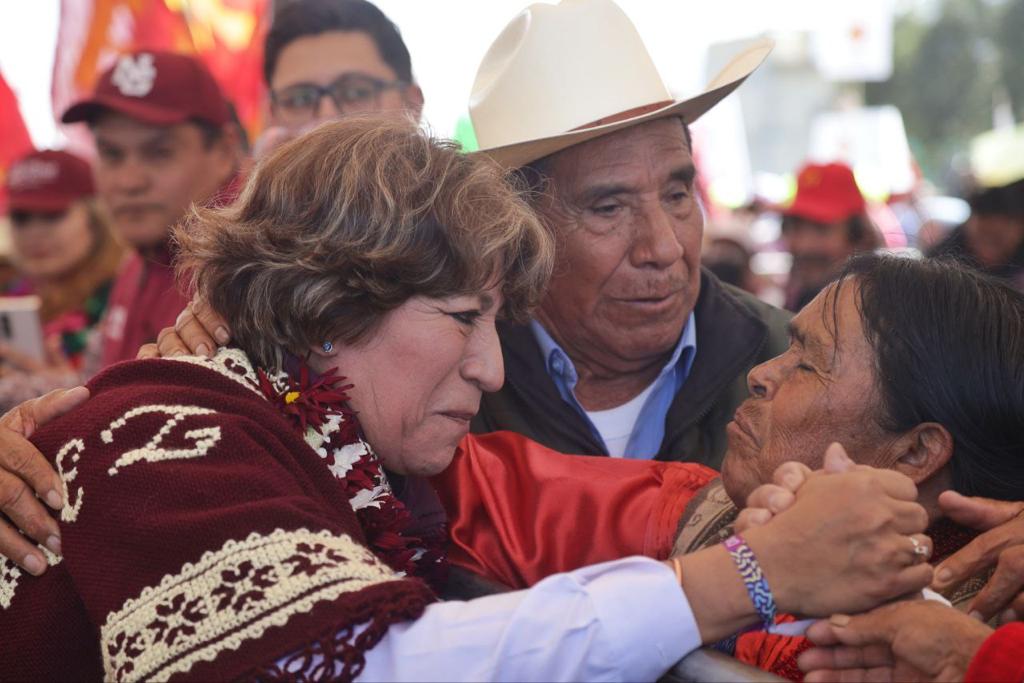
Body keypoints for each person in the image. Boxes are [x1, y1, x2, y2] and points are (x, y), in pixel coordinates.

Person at [0, 117, 932, 682]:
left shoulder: (338, 448)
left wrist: (787, 531)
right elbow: (374, 663)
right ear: (328, 306)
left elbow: (575, 506)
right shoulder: (165, 436)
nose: (490, 369)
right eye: (460, 318)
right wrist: (747, 576)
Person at [170, 0, 791, 469]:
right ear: (518, 225)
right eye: (608, 207)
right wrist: (235, 335)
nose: (664, 247)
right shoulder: (429, 364)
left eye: (678, 195)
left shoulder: (795, 362)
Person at [670, 254, 1024, 678]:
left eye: (807, 365)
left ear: (915, 453)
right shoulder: (688, 505)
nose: (759, 375)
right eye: (789, 347)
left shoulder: (957, 639)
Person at [60, 49, 241, 368]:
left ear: (224, 152)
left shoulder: (259, 270)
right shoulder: (141, 256)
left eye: (159, 153)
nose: (129, 182)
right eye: (111, 154)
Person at [0, 149, 124, 408]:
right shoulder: (5, 288)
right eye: (22, 217)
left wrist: (71, 388)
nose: (35, 233)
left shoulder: (124, 293)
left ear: (94, 218)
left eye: (52, 215)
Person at [779, 161, 881, 312]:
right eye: (796, 228)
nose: (804, 246)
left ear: (859, 235)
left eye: (821, 229)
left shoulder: (877, 308)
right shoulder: (806, 296)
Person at [928, 177, 1024, 291]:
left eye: (997, 240)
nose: (988, 250)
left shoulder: (1018, 259)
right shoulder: (942, 261)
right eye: (984, 237)